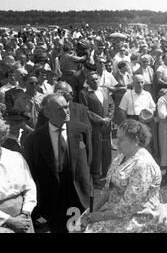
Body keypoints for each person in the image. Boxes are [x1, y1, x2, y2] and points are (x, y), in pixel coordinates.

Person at [23, 94, 92, 233]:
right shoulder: (34, 140)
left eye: (66, 107)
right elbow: (32, 172)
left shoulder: (82, 130)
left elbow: (89, 158)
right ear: (47, 113)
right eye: (60, 109)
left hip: (78, 194)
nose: (66, 112)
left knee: (79, 230)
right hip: (52, 199)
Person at [83, 120, 161, 233]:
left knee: (93, 230)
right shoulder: (121, 157)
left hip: (139, 214)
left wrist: (100, 216)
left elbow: (129, 206)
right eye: (116, 137)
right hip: (115, 210)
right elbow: (108, 190)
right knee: (81, 224)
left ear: (136, 140)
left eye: (121, 139)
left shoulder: (143, 165)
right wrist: (92, 211)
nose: (116, 142)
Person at [0, 119, 37, 233]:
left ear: (3, 136)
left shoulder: (15, 157)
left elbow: (30, 187)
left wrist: (25, 213)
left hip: (24, 220)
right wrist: (9, 220)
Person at [79, 71, 114, 187]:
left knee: (107, 152)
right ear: (87, 82)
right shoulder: (84, 93)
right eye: (92, 79)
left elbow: (111, 105)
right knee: (96, 152)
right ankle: (95, 177)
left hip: (106, 127)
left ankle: (107, 175)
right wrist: (100, 120)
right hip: (95, 128)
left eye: (96, 79)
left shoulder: (105, 90)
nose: (95, 81)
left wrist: (108, 118)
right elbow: (86, 111)